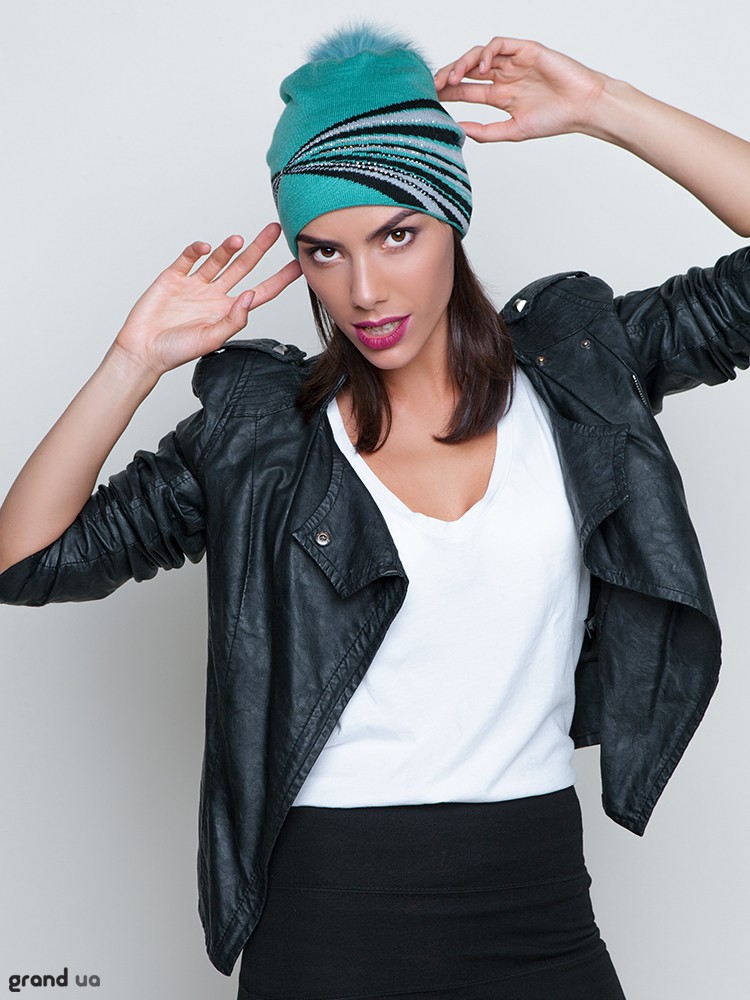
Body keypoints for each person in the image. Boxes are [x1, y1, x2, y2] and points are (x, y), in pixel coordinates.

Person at [1, 22, 749, 1000]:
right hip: (327, 930)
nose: (363, 290)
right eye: (325, 251)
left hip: (540, 915)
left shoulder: (581, 376)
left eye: (398, 234)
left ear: (452, 217)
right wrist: (131, 362)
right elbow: (27, 559)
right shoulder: (260, 443)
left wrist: (606, 107)